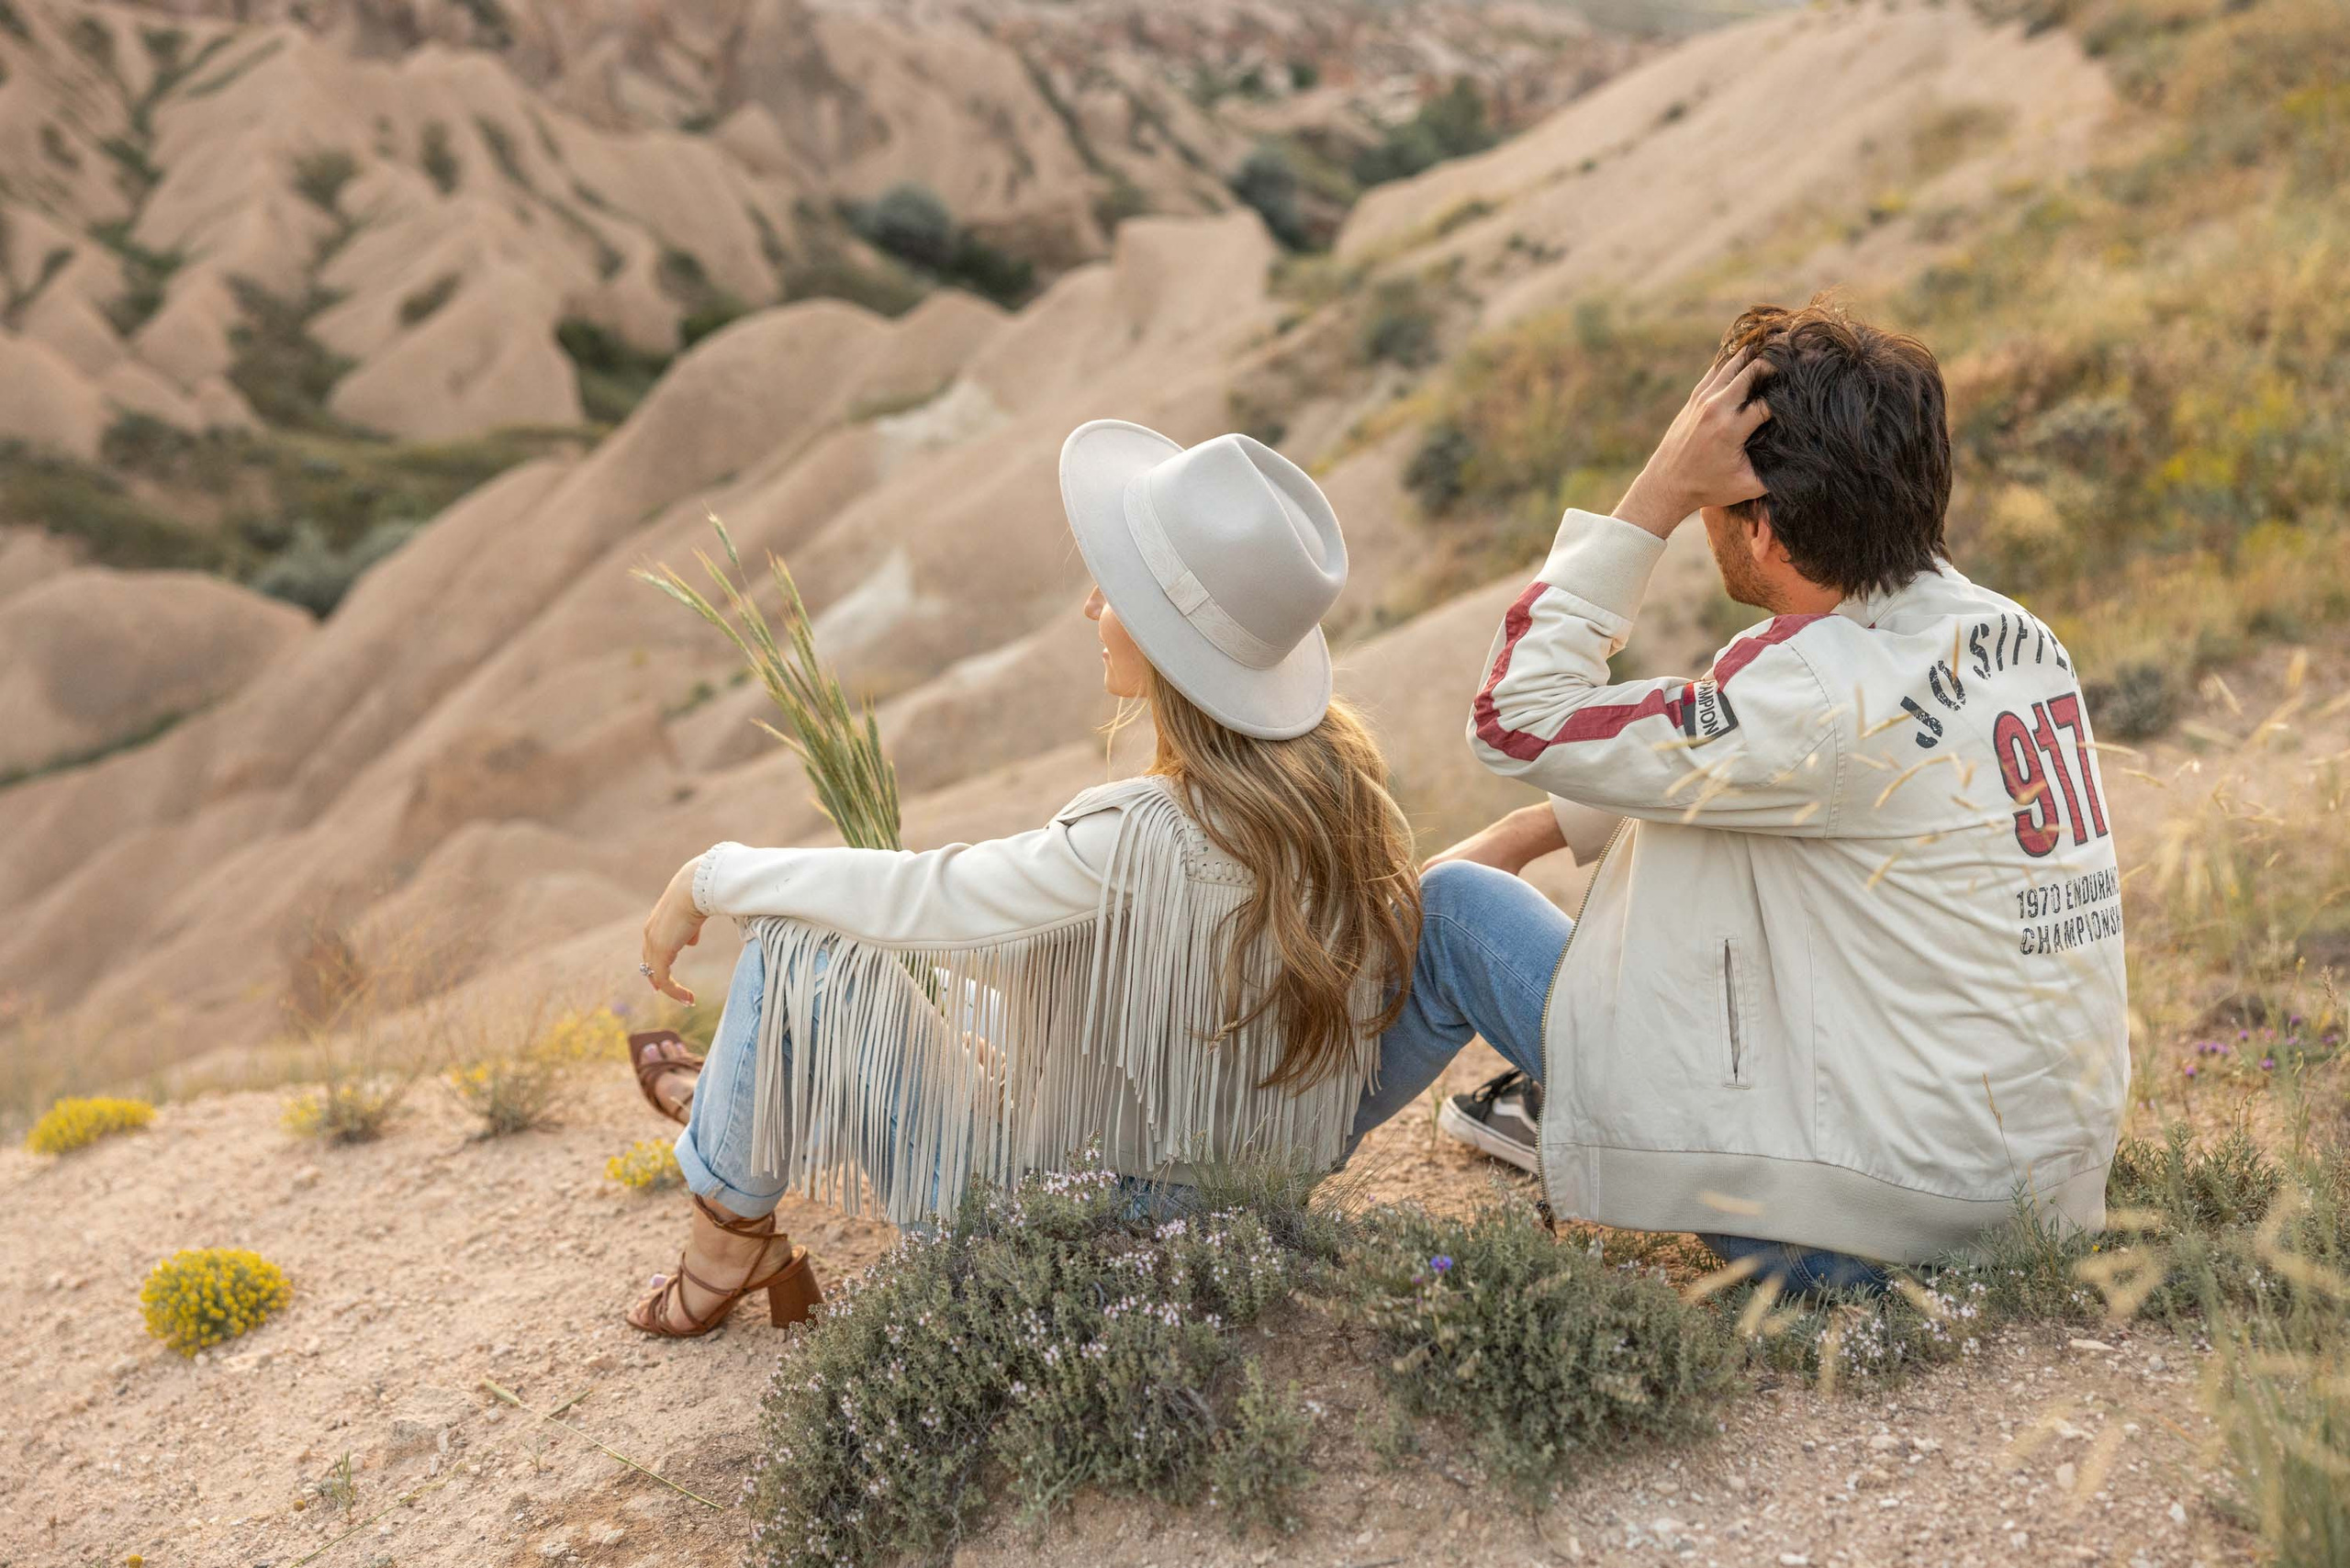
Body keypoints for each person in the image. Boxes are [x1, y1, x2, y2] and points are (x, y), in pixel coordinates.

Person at [1387, 297, 2131, 1290]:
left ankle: (1240, 1189)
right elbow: (1756, 758)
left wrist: (1651, 490)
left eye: (1709, 497)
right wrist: (1535, 828)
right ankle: (1582, 1106)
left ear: (1766, 529)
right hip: (2038, 1200)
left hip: (1863, 1235)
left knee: (1452, 914)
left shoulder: (1810, 697)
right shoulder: (2012, 638)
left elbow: (1516, 713)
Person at [620, 422, 1422, 1337]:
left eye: (1114, 591)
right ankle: (733, 1102)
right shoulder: (1347, 805)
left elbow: (931, 897)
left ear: (1169, 643)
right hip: (1235, 1227)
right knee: (949, 990)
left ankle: (727, 1234)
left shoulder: (1144, 834)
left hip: (1067, 1232)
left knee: (794, 938)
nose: (1090, 606)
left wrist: (710, 874)